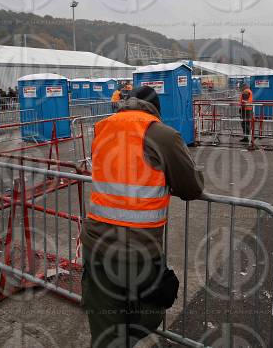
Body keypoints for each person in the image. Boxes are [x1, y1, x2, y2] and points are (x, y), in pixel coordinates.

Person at [81, 85, 203, 348]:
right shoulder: (161, 134)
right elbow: (191, 187)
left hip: (96, 245)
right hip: (138, 251)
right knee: (151, 310)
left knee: (104, 327)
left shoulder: (102, 127)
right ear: (155, 110)